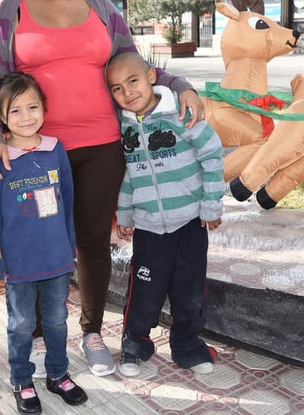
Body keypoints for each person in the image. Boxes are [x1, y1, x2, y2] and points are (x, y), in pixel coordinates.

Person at [0, 0, 206, 377]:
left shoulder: (102, 7)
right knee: (40, 240)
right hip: (37, 152)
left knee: (92, 244)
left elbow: (134, 67)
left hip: (103, 144)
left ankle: (92, 331)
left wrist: (180, 84)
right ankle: (40, 337)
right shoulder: (13, 11)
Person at [106, 51, 224, 377]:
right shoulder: (126, 130)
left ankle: (187, 346)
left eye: (133, 81)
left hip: (189, 222)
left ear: (151, 77)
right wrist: (126, 215)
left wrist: (211, 204)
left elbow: (212, 155)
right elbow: (130, 175)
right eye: (117, 88)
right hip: (148, 228)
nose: (127, 92)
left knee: (189, 291)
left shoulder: (180, 115)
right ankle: (135, 344)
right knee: (144, 290)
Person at [0, 72, 88, 414]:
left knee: (56, 319)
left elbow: (68, 201)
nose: (26, 117)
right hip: (19, 264)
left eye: (33, 107)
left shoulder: (55, 150)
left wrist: (70, 247)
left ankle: (58, 374)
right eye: (15, 111)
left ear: (44, 108)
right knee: (22, 324)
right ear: (0, 117)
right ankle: (22, 380)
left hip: (56, 259)